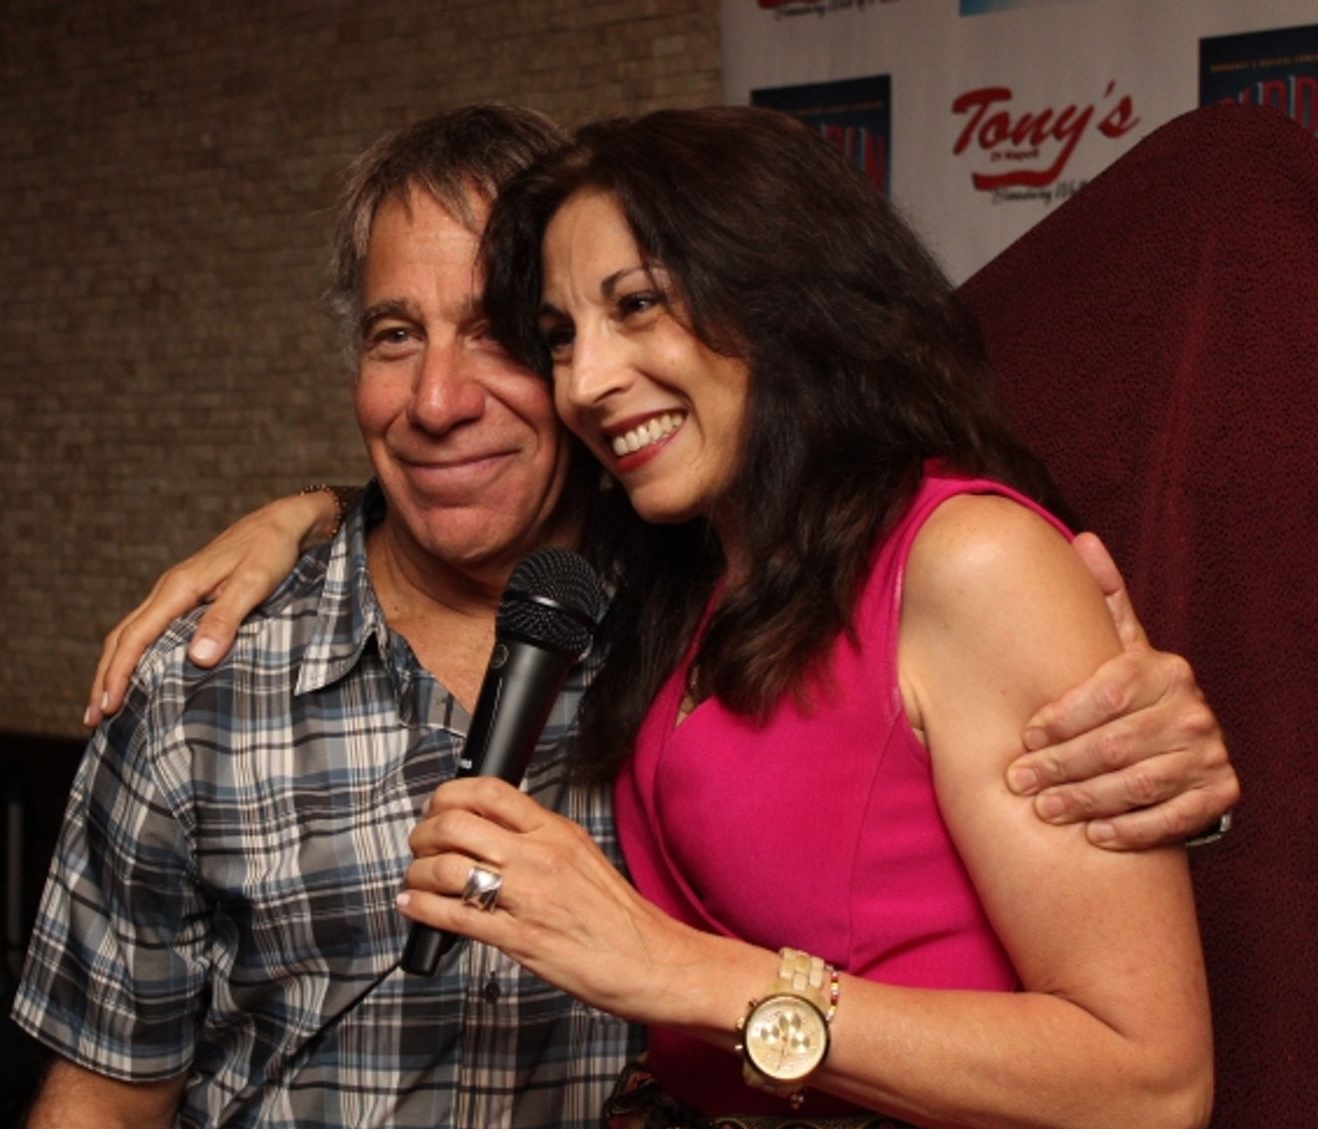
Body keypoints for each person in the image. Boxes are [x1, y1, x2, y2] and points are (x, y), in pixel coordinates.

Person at [19, 104, 1231, 1128]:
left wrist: (1168, 761)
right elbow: (99, 1096)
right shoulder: (213, 682)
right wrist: (306, 513)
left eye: (507, 337)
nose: (443, 397)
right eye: (397, 336)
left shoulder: (746, 600)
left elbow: (1125, 1041)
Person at [385, 106, 1213, 1126]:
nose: (586, 382)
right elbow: (436, 506)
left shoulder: (967, 559)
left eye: (637, 304)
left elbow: (1150, 1084)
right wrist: (291, 525)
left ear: (783, 297)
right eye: (560, 337)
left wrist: (679, 972)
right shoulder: (684, 566)